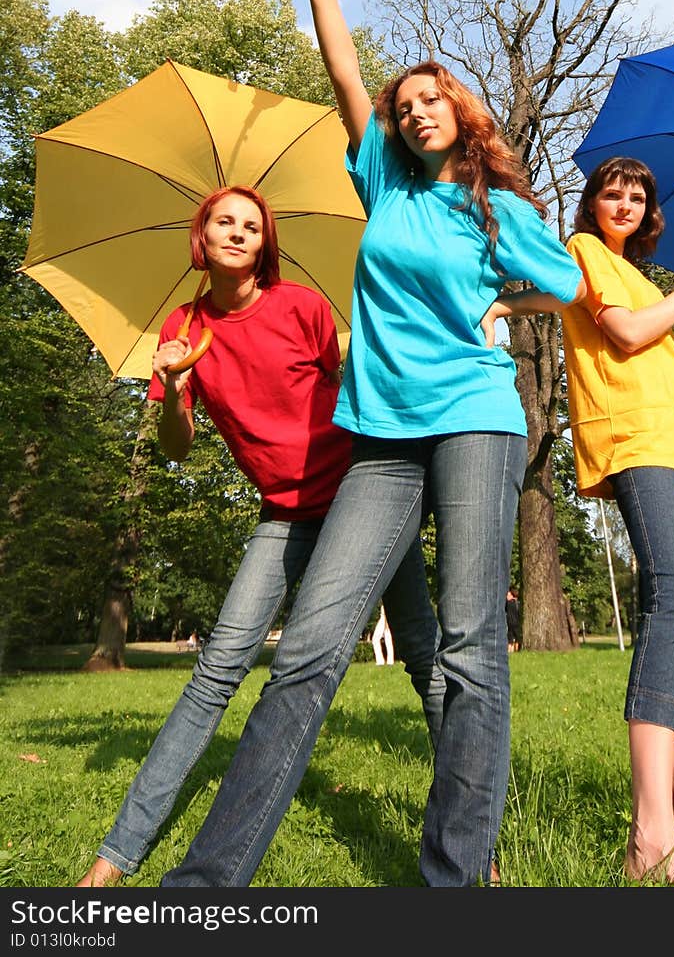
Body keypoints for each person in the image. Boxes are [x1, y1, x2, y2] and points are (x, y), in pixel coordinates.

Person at [158, 0, 585, 889]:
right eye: (407, 102)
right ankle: (204, 886)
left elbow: (560, 283)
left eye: (433, 99)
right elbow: (345, 71)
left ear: (461, 112)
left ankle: (453, 879)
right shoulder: (385, 180)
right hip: (381, 435)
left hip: (477, 419)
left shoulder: (495, 207)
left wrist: (494, 301)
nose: (417, 109)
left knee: (472, 641)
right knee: (309, 645)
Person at [76, 184, 443, 887]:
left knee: (422, 652)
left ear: (264, 241)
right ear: (202, 237)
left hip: (360, 496)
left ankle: (467, 826)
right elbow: (177, 449)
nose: (239, 233)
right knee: (215, 671)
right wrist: (179, 386)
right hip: (283, 511)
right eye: (225, 222)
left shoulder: (300, 305)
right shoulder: (182, 331)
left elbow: (353, 391)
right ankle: (113, 858)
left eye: (252, 224)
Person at [555, 155, 674, 885]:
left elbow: (573, 306)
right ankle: (650, 839)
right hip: (637, 439)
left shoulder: (630, 270)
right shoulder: (584, 251)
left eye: (638, 193)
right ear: (593, 203)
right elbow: (629, 335)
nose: (626, 201)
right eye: (613, 191)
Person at [505, 588, 521, 653]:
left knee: (510, 637)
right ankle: (516, 650)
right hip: (516, 622)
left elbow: (505, 609)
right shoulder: (518, 603)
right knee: (517, 637)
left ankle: (510, 650)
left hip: (509, 622)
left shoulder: (508, 603)